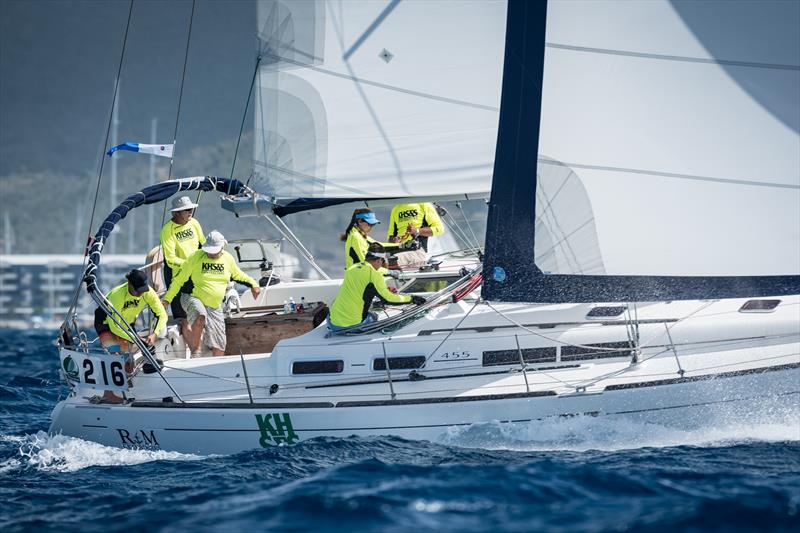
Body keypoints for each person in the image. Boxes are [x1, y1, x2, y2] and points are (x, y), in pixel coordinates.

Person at [162, 230, 261, 356]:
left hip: (214, 305)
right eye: (209, 250)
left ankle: (216, 366)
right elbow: (178, 280)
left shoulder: (228, 259)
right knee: (200, 315)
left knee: (220, 345)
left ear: (222, 247)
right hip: (192, 297)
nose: (211, 253)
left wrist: (253, 284)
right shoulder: (196, 257)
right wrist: (167, 299)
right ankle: (195, 352)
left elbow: (238, 274)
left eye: (214, 251)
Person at [93, 269, 168, 403]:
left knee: (128, 358)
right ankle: (108, 395)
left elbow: (162, 315)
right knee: (115, 356)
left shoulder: (147, 292)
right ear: (130, 284)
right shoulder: (117, 295)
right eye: (138, 290)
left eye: (143, 290)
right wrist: (137, 339)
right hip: (106, 324)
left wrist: (154, 334)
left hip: (126, 325)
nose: (141, 294)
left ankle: (128, 389)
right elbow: (115, 326)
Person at [328, 243, 425, 332]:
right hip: (352, 325)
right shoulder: (374, 276)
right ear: (379, 260)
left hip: (333, 322)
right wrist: (412, 299)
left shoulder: (352, 268)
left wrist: (389, 272)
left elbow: (371, 270)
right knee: (374, 316)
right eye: (382, 261)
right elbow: (388, 299)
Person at [160, 195, 205, 324]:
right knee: (181, 318)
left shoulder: (194, 223)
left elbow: (204, 245)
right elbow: (170, 260)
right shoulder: (167, 230)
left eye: (191, 209)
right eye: (187, 210)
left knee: (202, 310)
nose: (190, 212)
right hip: (177, 276)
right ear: (176, 213)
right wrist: (190, 265)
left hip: (196, 274)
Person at [340, 208, 417, 271]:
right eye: (370, 224)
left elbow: (378, 245)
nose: (371, 227)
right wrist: (386, 272)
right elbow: (365, 262)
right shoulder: (356, 237)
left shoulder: (360, 234)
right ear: (360, 221)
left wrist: (403, 246)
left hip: (361, 275)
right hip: (357, 277)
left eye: (373, 224)